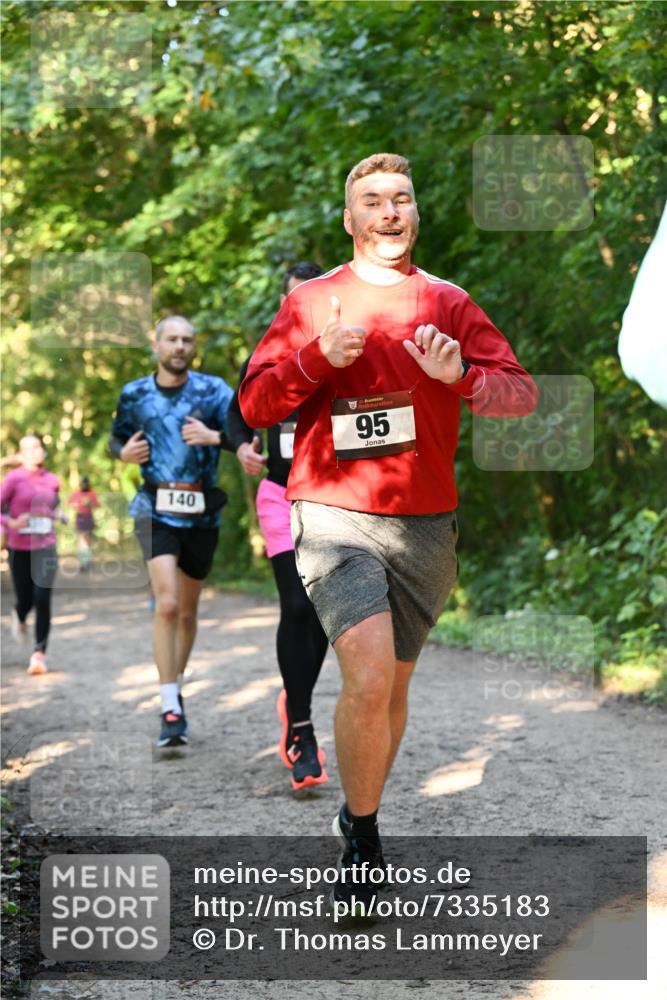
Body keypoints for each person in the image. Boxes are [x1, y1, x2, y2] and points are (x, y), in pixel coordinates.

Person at [239, 152, 538, 912]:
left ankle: (355, 807)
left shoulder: (447, 302)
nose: (387, 211)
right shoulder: (310, 302)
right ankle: (364, 837)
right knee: (367, 675)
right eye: (371, 200)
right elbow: (256, 406)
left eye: (400, 198)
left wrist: (460, 379)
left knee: (390, 687)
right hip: (332, 513)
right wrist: (313, 360)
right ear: (349, 218)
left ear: (414, 212)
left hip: (424, 523)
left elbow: (518, 395)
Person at [227, 262, 330, 792]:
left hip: (335, 499)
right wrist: (243, 445)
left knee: (325, 616)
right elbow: (236, 413)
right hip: (279, 493)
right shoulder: (268, 352)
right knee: (296, 604)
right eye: (293, 300)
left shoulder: (344, 347)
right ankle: (303, 732)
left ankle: (297, 700)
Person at [109, 315, 233, 748]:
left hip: (201, 512)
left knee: (186, 613)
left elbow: (243, 432)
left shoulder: (213, 390)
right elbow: (116, 438)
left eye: (187, 340)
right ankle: (169, 706)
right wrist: (123, 452)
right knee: (166, 603)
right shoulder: (135, 393)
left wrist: (214, 437)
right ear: (156, 344)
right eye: (172, 339)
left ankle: (174, 685)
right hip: (154, 507)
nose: (180, 346)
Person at [1, 435, 67, 674]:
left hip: (46, 546)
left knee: (42, 598)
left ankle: (39, 654)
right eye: (29, 448)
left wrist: (60, 515)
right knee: (26, 599)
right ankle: (19, 615)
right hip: (19, 548)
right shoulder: (13, 479)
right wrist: (12, 522)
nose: (36, 451)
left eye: (38, 446)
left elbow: (52, 506)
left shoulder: (52, 480)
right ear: (21, 454)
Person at [68, 475, 100, 572]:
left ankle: (87, 560)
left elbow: (98, 505)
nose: (84, 485)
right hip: (80, 517)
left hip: (89, 517)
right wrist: (77, 504)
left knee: (88, 540)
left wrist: (90, 503)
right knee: (81, 539)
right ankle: (83, 561)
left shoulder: (91, 493)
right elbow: (69, 503)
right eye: (83, 483)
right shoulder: (76, 493)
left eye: (86, 483)